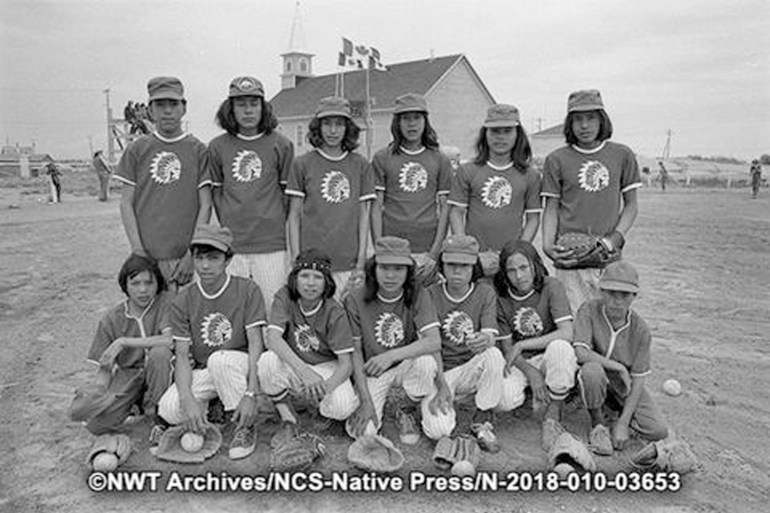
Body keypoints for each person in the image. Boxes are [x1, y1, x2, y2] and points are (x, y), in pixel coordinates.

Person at [157, 224, 266, 460]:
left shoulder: (247, 289)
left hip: (240, 366)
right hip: (206, 369)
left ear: (227, 260)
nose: (205, 266)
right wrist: (187, 399)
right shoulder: (184, 298)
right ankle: (209, 408)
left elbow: (256, 344)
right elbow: (183, 355)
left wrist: (251, 394)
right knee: (169, 408)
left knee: (221, 360)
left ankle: (244, 426)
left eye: (214, 258)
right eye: (200, 258)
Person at [541, 89, 642, 313]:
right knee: (577, 323)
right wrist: (548, 246)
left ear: (602, 120)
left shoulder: (622, 155)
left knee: (608, 320)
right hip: (571, 260)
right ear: (569, 123)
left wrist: (614, 239)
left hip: (608, 258)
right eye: (577, 119)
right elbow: (551, 209)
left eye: (590, 118)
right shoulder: (557, 159)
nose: (584, 126)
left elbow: (631, 205)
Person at [113, 76, 213, 293]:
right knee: (154, 322)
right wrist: (138, 251)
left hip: (186, 258)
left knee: (188, 320)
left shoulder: (198, 150)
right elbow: (126, 203)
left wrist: (191, 254)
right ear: (150, 109)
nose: (167, 111)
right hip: (148, 256)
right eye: (160, 105)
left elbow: (206, 205)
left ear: (183, 108)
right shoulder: (137, 149)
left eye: (173, 104)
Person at [344, 236, 441, 444]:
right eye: (384, 267)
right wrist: (366, 402)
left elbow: (433, 342)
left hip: (405, 364)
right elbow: (355, 352)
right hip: (373, 370)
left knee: (426, 362)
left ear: (408, 272)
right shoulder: (355, 297)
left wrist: (390, 355)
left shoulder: (417, 293)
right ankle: (371, 407)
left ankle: (405, 407)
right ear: (373, 268)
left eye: (399, 268)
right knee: (363, 434)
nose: (390, 275)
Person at [209, 76, 294, 310]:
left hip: (271, 245)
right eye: (241, 104)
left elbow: (287, 194)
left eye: (254, 103)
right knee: (232, 311)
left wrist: (271, 219)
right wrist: (230, 219)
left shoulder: (282, 144)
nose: (248, 110)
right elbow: (217, 193)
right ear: (230, 108)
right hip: (232, 244)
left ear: (263, 107)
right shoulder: (217, 146)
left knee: (272, 309)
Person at [258, 249, 359, 443]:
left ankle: (318, 408)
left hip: (325, 366)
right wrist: (304, 372)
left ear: (327, 282)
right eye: (304, 275)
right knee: (267, 361)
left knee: (343, 407)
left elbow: (346, 364)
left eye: (317, 277)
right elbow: (273, 338)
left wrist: (324, 388)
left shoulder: (334, 311)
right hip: (296, 363)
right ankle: (288, 417)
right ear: (295, 278)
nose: (310, 283)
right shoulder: (285, 296)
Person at [420, 235, 508, 452]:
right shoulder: (430, 294)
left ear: (473, 267)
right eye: (451, 265)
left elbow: (489, 334)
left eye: (464, 265)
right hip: (441, 372)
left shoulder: (485, 292)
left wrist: (484, 339)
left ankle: (482, 419)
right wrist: (441, 385)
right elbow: (431, 346)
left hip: (470, 368)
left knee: (493, 354)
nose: (457, 271)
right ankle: (424, 405)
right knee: (438, 431)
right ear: (442, 266)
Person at [70, 254, 173, 436]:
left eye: (149, 283)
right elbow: (105, 368)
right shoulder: (112, 319)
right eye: (135, 283)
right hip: (130, 375)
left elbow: (169, 340)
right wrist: (99, 396)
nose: (143, 290)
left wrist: (123, 341)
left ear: (158, 284)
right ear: (124, 285)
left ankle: (160, 416)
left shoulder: (166, 302)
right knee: (97, 426)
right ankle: (136, 404)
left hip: (166, 371)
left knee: (160, 354)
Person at [573, 261, 668, 454]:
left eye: (624, 295)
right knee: (592, 370)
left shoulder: (641, 330)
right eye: (611, 293)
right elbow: (581, 352)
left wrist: (623, 424)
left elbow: (639, 379)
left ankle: (616, 414)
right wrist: (618, 367)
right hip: (591, 374)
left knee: (658, 430)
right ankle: (597, 421)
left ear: (634, 296)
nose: (617, 300)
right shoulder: (589, 309)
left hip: (621, 384)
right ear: (601, 291)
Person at [285, 97, 374, 300]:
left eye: (339, 124)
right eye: (327, 123)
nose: (332, 131)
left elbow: (364, 215)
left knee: (346, 324)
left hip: (347, 264)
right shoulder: (302, 164)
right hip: (312, 265)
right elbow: (294, 216)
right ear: (318, 127)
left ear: (347, 128)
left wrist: (360, 263)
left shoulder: (360, 165)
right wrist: (296, 260)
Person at [493, 240, 578, 449]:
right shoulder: (499, 296)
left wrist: (523, 345)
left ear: (535, 265)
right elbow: (507, 349)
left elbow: (567, 332)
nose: (519, 276)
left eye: (523, 267)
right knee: (503, 399)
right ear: (504, 273)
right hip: (520, 361)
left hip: (548, 355)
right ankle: (530, 393)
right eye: (511, 270)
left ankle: (555, 408)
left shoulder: (551, 286)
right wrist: (531, 373)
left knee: (561, 348)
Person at [448, 104, 541, 277]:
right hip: (476, 260)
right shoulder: (467, 170)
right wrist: (468, 252)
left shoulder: (530, 175)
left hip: (511, 263)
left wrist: (517, 253)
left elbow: (533, 218)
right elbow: (456, 213)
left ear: (517, 134)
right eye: (495, 131)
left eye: (507, 131)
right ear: (485, 134)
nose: (501, 137)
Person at [370, 93, 453, 284]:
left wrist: (434, 252)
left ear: (425, 121)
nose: (412, 124)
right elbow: (376, 207)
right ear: (397, 123)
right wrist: (379, 247)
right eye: (406, 118)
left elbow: (445, 208)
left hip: (426, 248)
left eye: (417, 118)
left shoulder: (440, 159)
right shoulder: (382, 158)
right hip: (392, 246)